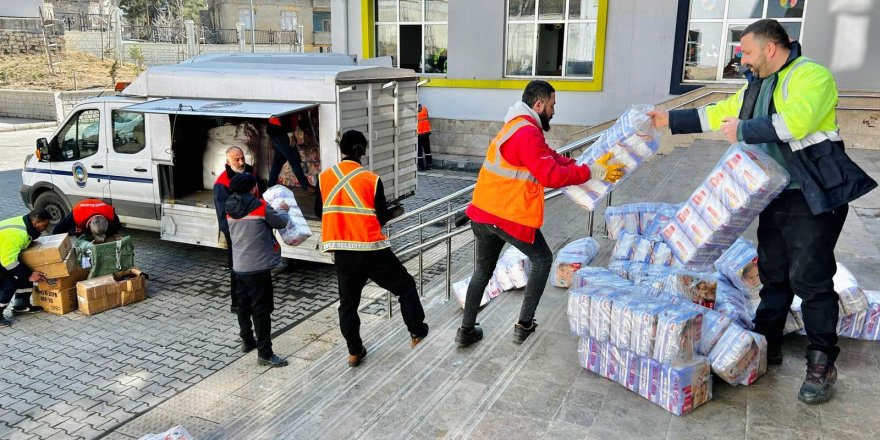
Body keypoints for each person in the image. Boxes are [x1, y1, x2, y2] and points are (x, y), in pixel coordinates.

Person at [648, 19, 876, 404]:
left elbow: (796, 122)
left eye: (748, 52)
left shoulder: (811, 76)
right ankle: (766, 345)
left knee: (810, 277)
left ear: (771, 48)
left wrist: (745, 130)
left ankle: (822, 362)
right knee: (772, 273)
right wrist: (669, 119)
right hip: (775, 193)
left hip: (812, 192)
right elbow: (721, 112)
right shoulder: (757, 85)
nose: (744, 60)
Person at [456, 80, 625, 347]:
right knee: (543, 259)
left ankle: (466, 331)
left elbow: (550, 157)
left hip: (483, 213)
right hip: (507, 216)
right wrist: (592, 173)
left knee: (482, 271)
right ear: (539, 104)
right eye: (552, 105)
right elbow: (550, 174)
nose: (554, 111)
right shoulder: (526, 133)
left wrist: (586, 164)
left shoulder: (517, 126)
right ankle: (524, 325)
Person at [315, 130, 429, 367]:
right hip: (371, 248)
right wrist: (394, 212)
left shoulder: (324, 177)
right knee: (405, 287)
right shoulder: (371, 179)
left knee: (348, 304)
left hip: (342, 251)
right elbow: (380, 217)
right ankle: (417, 333)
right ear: (360, 149)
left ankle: (354, 351)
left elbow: (319, 211)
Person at [225, 173, 290, 367]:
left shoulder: (229, 207)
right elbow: (280, 222)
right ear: (253, 188)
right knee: (261, 311)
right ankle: (265, 353)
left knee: (242, 306)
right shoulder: (260, 206)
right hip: (258, 267)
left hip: (238, 267)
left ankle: (247, 341)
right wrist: (283, 210)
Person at [214, 146, 263, 314]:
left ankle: (254, 296)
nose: (241, 162)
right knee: (236, 266)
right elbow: (222, 214)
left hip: (253, 226)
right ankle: (238, 302)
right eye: (237, 160)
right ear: (228, 162)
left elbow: (259, 195)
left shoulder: (250, 172)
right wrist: (231, 234)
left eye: (242, 158)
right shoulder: (222, 183)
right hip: (236, 231)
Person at [0, 210, 52, 326]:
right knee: (8, 283)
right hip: (4, 258)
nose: (47, 227)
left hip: (4, 253)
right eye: (45, 224)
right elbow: (8, 261)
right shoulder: (19, 234)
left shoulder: (26, 225)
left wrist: (28, 274)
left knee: (24, 274)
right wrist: (29, 274)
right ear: (36, 223)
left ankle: (21, 306)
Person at [267, 113, 313, 192]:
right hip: (281, 132)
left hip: (275, 130)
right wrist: (290, 134)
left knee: (278, 160)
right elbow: (283, 115)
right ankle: (305, 186)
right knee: (294, 159)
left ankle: (271, 185)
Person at [53, 198, 122, 243]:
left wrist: (106, 235)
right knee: (84, 241)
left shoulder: (110, 214)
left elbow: (117, 228)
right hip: (83, 209)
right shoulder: (76, 216)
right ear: (89, 224)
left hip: (99, 208)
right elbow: (58, 229)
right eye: (94, 232)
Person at [417, 104, 433, 171]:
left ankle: (421, 166)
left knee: (419, 151)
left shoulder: (415, 111)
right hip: (426, 132)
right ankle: (429, 165)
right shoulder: (424, 108)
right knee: (427, 150)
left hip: (419, 133)